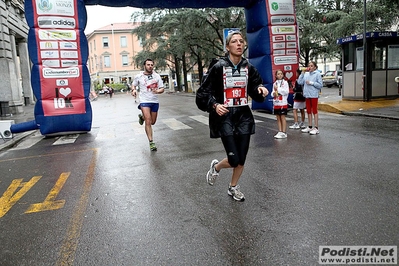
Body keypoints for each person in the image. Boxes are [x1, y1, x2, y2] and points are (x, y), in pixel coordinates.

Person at [195, 31, 269, 202]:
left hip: (243, 116)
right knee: (234, 159)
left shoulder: (248, 67)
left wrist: (260, 90)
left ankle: (233, 187)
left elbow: (255, 87)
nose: (239, 44)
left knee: (241, 159)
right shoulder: (218, 67)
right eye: (234, 42)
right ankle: (217, 166)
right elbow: (202, 94)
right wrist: (214, 105)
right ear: (227, 47)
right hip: (225, 117)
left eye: (241, 41)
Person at [131, 59, 165, 151]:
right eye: (148, 64)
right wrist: (133, 90)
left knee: (153, 122)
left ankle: (142, 117)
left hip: (154, 101)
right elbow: (133, 85)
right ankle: (151, 142)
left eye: (151, 65)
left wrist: (157, 91)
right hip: (144, 101)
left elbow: (162, 88)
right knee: (148, 121)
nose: (150, 66)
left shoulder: (156, 76)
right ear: (144, 66)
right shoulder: (139, 76)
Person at [297, 61, 323, 135]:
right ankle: (310, 126)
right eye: (309, 66)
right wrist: (302, 73)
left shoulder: (317, 74)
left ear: (315, 67)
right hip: (307, 94)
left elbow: (320, 85)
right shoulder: (306, 74)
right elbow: (300, 82)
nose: (310, 67)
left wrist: (312, 83)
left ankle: (316, 127)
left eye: (312, 66)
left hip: (314, 94)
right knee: (308, 111)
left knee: (314, 110)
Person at [272, 69, 289, 139]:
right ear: (276, 75)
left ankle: (284, 132)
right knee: (278, 117)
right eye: (278, 74)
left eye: (281, 74)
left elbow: (286, 91)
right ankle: (280, 131)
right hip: (276, 102)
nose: (280, 75)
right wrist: (273, 94)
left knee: (282, 117)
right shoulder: (275, 83)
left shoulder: (285, 83)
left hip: (283, 102)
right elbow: (272, 92)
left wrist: (278, 89)